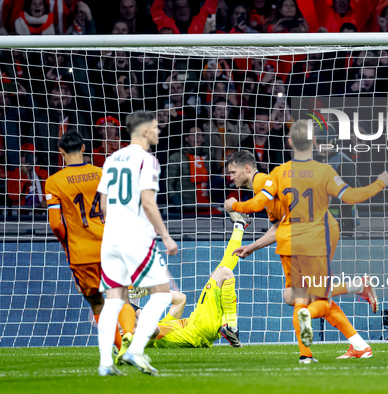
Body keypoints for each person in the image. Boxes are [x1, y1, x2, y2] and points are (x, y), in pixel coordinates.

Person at [225, 122, 388, 363]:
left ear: (247, 168)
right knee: (297, 296)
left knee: (301, 296)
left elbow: (276, 221)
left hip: (316, 232)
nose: (230, 177)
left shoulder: (266, 181)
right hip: (313, 232)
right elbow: (279, 225)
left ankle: (355, 289)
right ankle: (359, 344)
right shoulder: (289, 176)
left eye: (233, 172)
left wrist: (235, 207)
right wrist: (252, 247)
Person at [96, 111, 178, 376]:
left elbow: (104, 203)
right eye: (155, 128)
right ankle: (136, 349)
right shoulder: (148, 160)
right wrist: (165, 236)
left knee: (113, 300)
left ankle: (105, 364)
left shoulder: (111, 159)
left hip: (110, 237)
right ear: (144, 131)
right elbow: (148, 202)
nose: (158, 132)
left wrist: (113, 228)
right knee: (163, 293)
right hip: (135, 235)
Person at [45, 131, 136, 367]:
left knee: (97, 303)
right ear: (84, 148)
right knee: (122, 297)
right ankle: (130, 337)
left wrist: (67, 240)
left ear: (61, 152)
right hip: (110, 247)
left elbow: (55, 224)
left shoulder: (54, 181)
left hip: (81, 252)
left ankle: (121, 349)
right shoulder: (102, 173)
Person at [129, 212, 250, 349]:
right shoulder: (144, 338)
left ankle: (239, 226)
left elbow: (180, 299)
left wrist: (148, 291)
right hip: (200, 325)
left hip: (206, 326)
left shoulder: (164, 324)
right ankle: (232, 329)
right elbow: (153, 330)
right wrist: (133, 307)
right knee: (224, 272)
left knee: (222, 270)